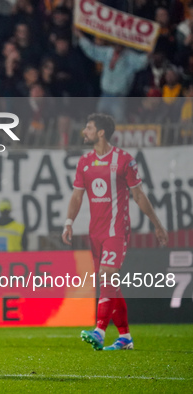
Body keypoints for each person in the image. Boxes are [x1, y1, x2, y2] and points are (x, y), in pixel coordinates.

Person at [62, 113, 168, 351]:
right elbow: (77, 196)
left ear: (101, 132)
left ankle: (99, 330)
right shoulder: (85, 162)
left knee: (108, 276)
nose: (84, 131)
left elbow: (138, 195)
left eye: (88, 128)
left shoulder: (124, 160)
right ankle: (125, 338)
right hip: (95, 233)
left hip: (116, 230)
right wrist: (69, 221)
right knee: (111, 285)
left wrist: (157, 224)